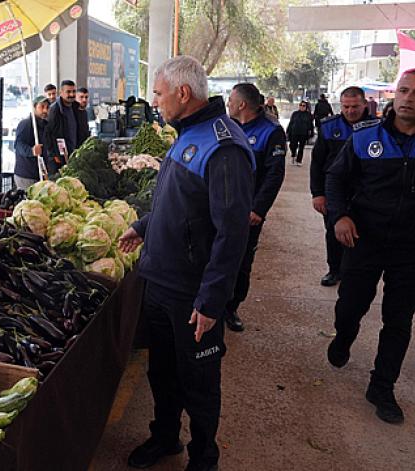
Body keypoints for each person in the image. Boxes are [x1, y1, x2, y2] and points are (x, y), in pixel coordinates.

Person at [118, 56, 255, 471]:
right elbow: (177, 199)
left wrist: (212, 301)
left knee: (198, 382)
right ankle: (165, 438)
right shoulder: (186, 132)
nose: (154, 101)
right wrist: (144, 225)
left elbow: (232, 232)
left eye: (158, 93)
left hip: (191, 292)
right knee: (162, 372)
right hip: (159, 280)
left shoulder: (223, 145)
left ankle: (203, 456)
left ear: (182, 93)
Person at [325, 68, 415, 425]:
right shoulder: (363, 136)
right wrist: (340, 216)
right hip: (363, 240)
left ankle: (382, 386)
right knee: (350, 307)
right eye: (403, 90)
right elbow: (336, 179)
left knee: (398, 320)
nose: (408, 98)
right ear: (393, 95)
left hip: (414, 247)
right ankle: (344, 337)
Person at [223, 83, 286, 332]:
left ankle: (231, 307)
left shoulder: (271, 132)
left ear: (241, 105)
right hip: (222, 206)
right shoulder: (226, 126)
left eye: (231, 99)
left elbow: (274, 175)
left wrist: (258, 209)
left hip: (247, 212)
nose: (227, 103)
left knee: (241, 260)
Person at [309, 86, 370, 287]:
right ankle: (334, 270)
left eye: (355, 106)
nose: (350, 111)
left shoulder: (377, 128)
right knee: (333, 232)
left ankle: (356, 273)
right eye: (346, 107)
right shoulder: (329, 127)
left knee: (364, 234)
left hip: (365, 193)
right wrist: (318, 194)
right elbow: (317, 162)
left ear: (364, 105)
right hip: (334, 192)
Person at [46, 80, 91, 168]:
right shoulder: (54, 110)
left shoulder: (77, 108)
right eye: (68, 92)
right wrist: (54, 155)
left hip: (74, 155)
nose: (71, 94)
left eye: (74, 91)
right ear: (61, 92)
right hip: (59, 159)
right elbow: (48, 134)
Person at [13, 95, 51, 189]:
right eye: (42, 107)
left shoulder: (45, 125)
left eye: (47, 107)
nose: (45, 110)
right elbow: (18, 145)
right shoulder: (26, 124)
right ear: (34, 107)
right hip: (26, 175)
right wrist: (31, 151)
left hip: (39, 173)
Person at [286, 101, 314, 166]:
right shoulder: (295, 113)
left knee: (301, 147)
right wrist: (287, 131)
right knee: (292, 145)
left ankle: (299, 160)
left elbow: (311, 125)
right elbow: (291, 122)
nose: (302, 106)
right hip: (294, 132)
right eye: (300, 105)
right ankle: (293, 154)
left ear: (306, 107)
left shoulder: (308, 115)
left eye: (303, 105)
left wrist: (311, 133)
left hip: (303, 133)